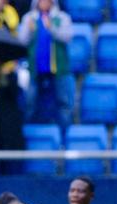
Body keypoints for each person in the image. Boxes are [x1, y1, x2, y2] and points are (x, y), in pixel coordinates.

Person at [17, 0, 72, 134]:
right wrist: (29, 30)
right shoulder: (29, 18)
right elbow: (21, 41)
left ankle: (65, 135)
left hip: (59, 69)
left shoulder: (62, 17)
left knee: (63, 103)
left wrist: (51, 28)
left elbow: (68, 37)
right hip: (35, 69)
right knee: (29, 102)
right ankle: (27, 133)